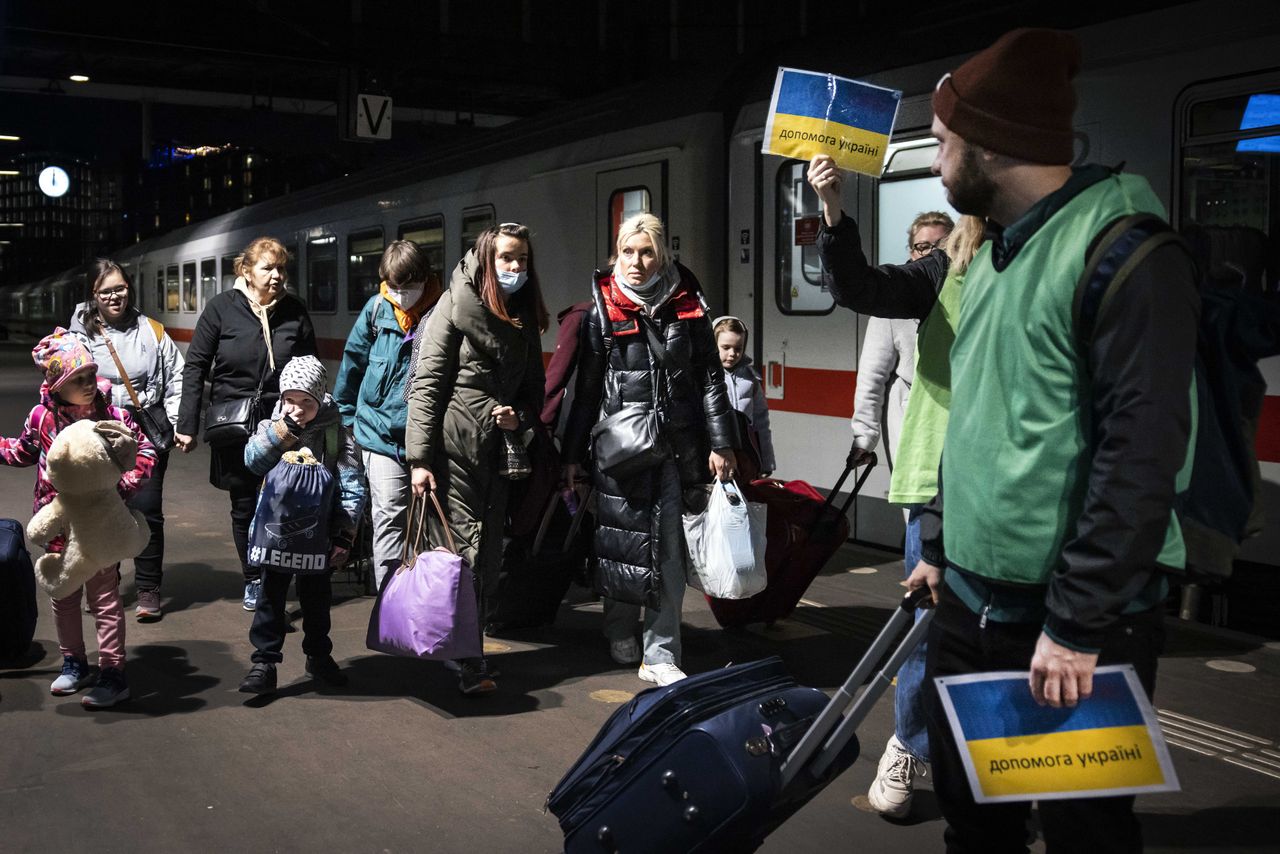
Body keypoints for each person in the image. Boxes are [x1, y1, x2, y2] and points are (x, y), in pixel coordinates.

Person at [906, 29, 1199, 853]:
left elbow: (1140, 457)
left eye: (941, 143)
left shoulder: (1126, 253)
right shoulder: (997, 252)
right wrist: (937, 537)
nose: (937, 165)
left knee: (1082, 836)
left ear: (991, 146)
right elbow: (982, 417)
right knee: (976, 829)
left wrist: (1075, 623)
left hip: (1070, 627)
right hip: (971, 601)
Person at [812, 143, 985, 817]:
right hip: (937, 477)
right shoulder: (939, 273)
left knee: (996, 636)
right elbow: (865, 301)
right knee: (927, 622)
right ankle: (908, 745)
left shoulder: (1032, 266)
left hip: (1014, 488)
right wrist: (832, 210)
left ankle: (989, 764)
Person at [562, 213, 738, 687]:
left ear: (663, 255)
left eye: (647, 252)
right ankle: (619, 626)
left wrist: (721, 443)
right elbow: (587, 389)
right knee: (624, 542)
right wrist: (572, 456)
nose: (637, 262)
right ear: (614, 255)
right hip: (622, 449)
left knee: (668, 553)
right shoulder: (602, 307)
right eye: (628, 252)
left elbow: (709, 379)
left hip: (677, 447)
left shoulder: (689, 304)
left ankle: (659, 652)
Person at [405, 223, 548, 695]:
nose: (515, 268)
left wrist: (519, 423)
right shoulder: (452, 307)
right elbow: (426, 387)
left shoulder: (524, 315)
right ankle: (468, 659)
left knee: (487, 557)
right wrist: (419, 459)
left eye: (522, 260)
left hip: (498, 456)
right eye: (507, 258)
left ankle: (466, 646)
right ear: (486, 259)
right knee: (464, 552)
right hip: (453, 452)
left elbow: (534, 394)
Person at [0, 329, 156, 708]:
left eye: (89, 375)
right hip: (58, 525)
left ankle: (113, 672)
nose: (88, 384)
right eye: (77, 380)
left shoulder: (112, 414)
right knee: (64, 595)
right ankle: (74, 662)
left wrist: (126, 484)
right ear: (56, 385)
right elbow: (22, 452)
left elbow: (144, 448)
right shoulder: (41, 418)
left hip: (100, 523)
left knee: (104, 598)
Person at [175, 237, 317, 611]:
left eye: (281, 268)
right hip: (235, 422)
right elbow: (196, 367)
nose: (276, 275)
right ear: (246, 271)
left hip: (284, 421)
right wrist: (188, 422)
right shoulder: (222, 309)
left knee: (285, 499)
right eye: (267, 268)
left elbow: (311, 368)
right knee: (244, 505)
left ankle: (277, 574)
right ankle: (253, 578)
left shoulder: (294, 310)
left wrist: (316, 413)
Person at [238, 356, 366, 695]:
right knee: (271, 598)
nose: (296, 409)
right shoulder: (272, 426)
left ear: (321, 398)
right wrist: (283, 432)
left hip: (317, 536)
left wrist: (343, 533)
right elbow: (253, 462)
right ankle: (263, 663)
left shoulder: (337, 434)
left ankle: (319, 656)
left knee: (317, 600)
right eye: (290, 400)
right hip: (275, 534)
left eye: (306, 402)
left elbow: (352, 485)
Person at [68, 260, 184, 622]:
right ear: (93, 295)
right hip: (98, 431)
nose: (115, 296)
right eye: (106, 291)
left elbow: (176, 376)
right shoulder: (76, 336)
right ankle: (107, 581)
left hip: (144, 430)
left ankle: (149, 587)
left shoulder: (152, 330)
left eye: (120, 288)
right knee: (104, 509)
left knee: (148, 509)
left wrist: (181, 423)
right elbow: (62, 384)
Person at [334, 240, 443, 590]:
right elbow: (353, 363)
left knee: (427, 522)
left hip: (428, 436)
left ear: (425, 278)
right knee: (389, 518)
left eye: (408, 287)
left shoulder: (442, 311)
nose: (400, 294)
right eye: (393, 286)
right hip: (380, 435)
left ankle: (425, 597)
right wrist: (346, 419)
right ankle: (390, 601)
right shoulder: (377, 310)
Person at [847, 212, 953, 473]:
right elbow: (872, 375)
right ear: (911, 250)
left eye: (940, 247)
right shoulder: (898, 297)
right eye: (923, 246)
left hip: (957, 417)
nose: (931, 254)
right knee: (917, 502)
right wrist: (864, 436)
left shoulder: (965, 290)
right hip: (910, 415)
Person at [711, 316, 775, 477]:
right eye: (725, 347)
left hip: (744, 455)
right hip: (715, 458)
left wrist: (766, 462)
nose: (732, 354)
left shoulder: (750, 379)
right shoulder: (704, 377)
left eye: (738, 348)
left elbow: (761, 423)